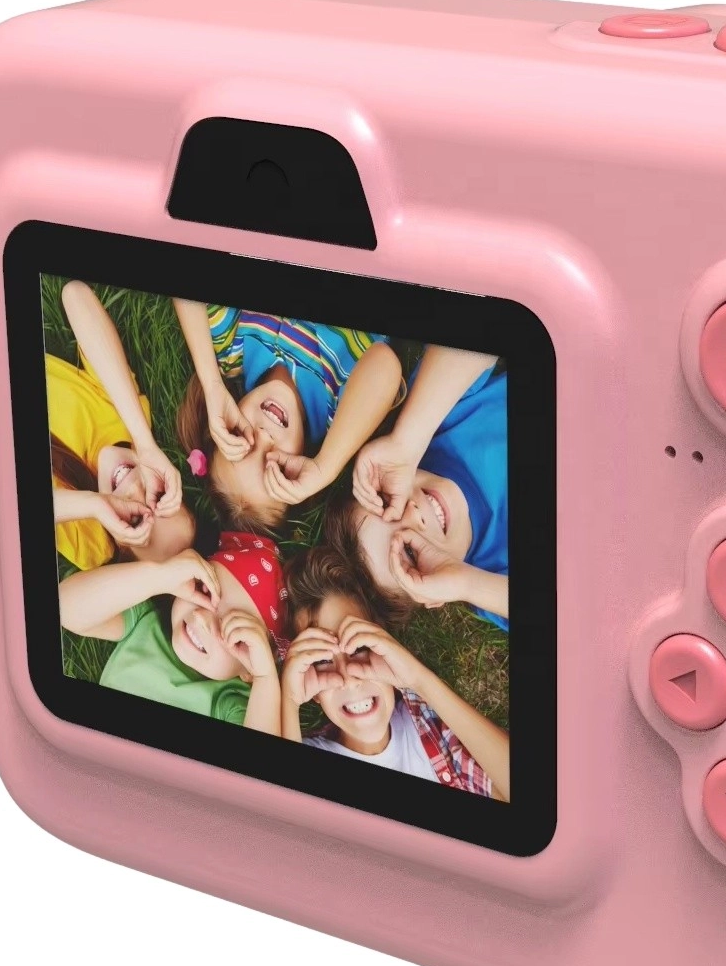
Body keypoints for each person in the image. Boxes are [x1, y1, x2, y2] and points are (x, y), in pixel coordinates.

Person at [272, 546, 509, 800]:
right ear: (310, 687)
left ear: (385, 646)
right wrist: (289, 701)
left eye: (359, 647)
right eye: (320, 661)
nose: (349, 680)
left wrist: (417, 679)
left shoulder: (432, 726)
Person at [173, 299, 403, 533]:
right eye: (276, 465)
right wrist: (325, 467)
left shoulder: (233, 350)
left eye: (242, 439)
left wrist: (212, 385)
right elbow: (385, 362)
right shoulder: (341, 410)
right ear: (300, 466)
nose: (264, 437)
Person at [329, 345, 508, 629]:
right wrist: (467, 584)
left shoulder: (432, 423)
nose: (413, 512)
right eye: (411, 551)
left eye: (387, 501)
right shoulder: (494, 581)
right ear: (435, 595)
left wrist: (407, 441)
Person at [58, 532, 290, 731]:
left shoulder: (232, 702)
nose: (201, 618)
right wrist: (160, 577)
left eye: (233, 627)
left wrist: (265, 678)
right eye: (205, 591)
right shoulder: (146, 623)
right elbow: (66, 607)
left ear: (249, 670)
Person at [48, 280, 194, 569]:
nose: (137, 489)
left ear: (119, 542)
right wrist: (145, 443)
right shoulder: (128, 419)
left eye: (136, 518)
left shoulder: (90, 538)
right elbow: (75, 295)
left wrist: (94, 505)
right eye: (158, 496)